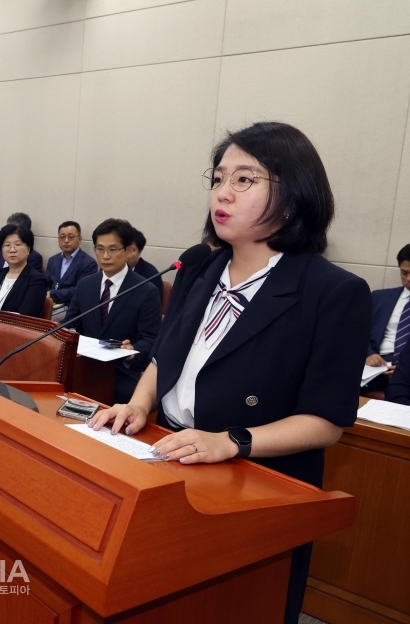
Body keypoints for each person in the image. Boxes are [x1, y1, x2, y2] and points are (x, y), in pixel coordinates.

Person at [88, 121, 371, 624]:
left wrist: (230, 441)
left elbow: (326, 422)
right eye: (218, 178)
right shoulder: (200, 268)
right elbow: (166, 358)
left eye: (245, 179)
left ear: (294, 193)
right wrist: (137, 404)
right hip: (168, 458)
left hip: (255, 484)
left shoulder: (333, 291)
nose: (223, 192)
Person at [66, 218, 161, 404]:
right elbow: (70, 324)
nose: (105, 256)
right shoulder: (86, 284)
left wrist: (134, 350)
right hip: (85, 366)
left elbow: (152, 339)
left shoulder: (145, 290)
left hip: (122, 373)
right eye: (99, 249)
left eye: (112, 249)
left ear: (128, 251)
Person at [364, 244, 410, 392]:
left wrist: (404, 369)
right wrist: (368, 354)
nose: (408, 278)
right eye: (404, 272)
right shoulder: (380, 298)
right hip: (377, 366)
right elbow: (356, 332)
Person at [0, 224, 48, 317]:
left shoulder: (37, 280)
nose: (12, 250)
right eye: (7, 245)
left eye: (18, 245)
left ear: (29, 249)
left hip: (14, 330)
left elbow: (26, 317)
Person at [45, 220, 97, 309]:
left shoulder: (89, 263)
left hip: (71, 307)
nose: (66, 241)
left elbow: (80, 291)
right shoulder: (53, 260)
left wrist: (52, 294)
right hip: (49, 304)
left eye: (70, 237)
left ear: (80, 239)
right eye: (62, 237)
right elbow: (45, 283)